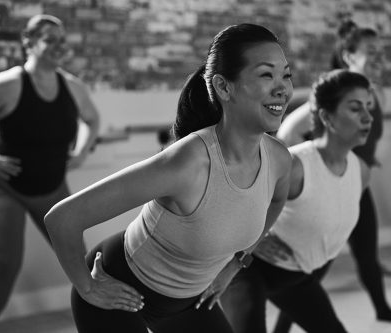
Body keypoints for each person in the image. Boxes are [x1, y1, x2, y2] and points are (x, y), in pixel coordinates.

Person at [44, 23, 293, 333]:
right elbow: (63, 218)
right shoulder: (188, 162)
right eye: (266, 74)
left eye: (286, 75)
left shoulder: (279, 160)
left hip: (188, 301)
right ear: (224, 87)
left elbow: (278, 199)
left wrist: (236, 263)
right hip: (120, 291)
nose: (282, 87)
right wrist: (88, 287)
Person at [0, 14, 100, 332]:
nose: (59, 46)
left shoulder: (73, 87)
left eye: (62, 39)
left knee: (81, 264)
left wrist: (82, 152)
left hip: (51, 187)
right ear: (29, 43)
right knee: (7, 266)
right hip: (2, 186)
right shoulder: (9, 84)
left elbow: (92, 119)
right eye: (50, 39)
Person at [275, 21, 391, 329]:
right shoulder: (333, 91)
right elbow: (286, 131)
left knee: (366, 252)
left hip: (356, 184)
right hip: (324, 186)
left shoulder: (378, 95)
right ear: (349, 56)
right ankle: (282, 327)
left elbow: (368, 139)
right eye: (371, 53)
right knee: (309, 270)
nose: (379, 59)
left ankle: (382, 309)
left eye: (382, 53)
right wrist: (309, 164)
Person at [221, 69, 379, 333]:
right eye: (355, 108)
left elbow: (327, 235)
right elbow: (226, 202)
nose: (367, 117)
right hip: (247, 270)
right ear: (327, 117)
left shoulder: (361, 171)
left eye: (368, 107)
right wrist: (251, 241)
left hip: (295, 278)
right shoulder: (294, 164)